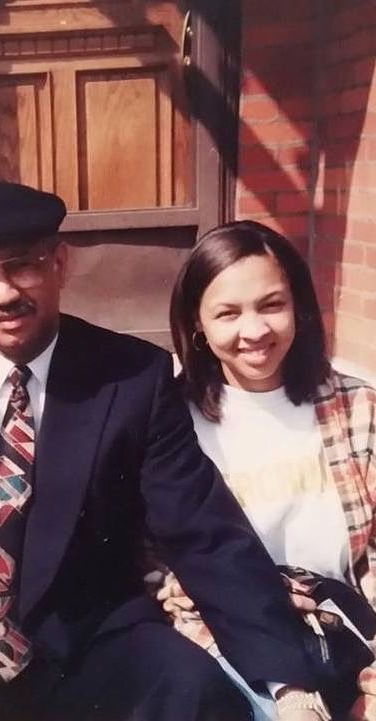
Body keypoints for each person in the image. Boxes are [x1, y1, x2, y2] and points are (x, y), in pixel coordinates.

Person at [0, 182, 322, 721]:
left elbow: (201, 530)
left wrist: (289, 685)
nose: (4, 293)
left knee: (194, 691)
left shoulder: (132, 378)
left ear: (59, 264)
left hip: (85, 641)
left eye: (21, 266)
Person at [164, 219, 376, 720]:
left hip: (347, 629)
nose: (255, 331)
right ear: (197, 322)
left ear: (298, 306)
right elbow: (160, 570)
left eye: (272, 305)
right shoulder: (170, 421)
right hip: (226, 636)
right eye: (228, 313)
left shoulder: (357, 408)